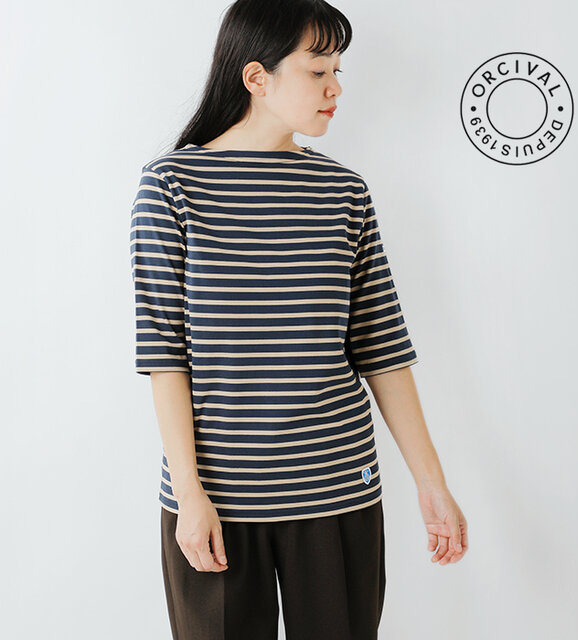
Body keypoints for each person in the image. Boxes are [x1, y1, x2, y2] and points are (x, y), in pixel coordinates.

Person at [129, 0, 468, 638]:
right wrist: (191, 493)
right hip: (216, 499)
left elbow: (382, 347)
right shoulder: (172, 185)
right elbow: (164, 353)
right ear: (257, 77)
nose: (336, 88)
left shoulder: (343, 192)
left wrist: (432, 483)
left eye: (338, 70)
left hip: (337, 487)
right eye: (318, 71)